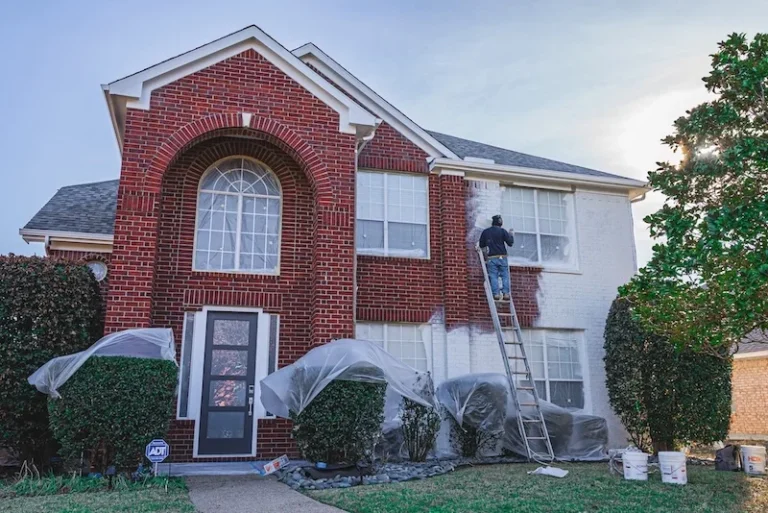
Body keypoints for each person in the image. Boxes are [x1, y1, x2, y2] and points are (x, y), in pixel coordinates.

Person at [479, 215, 515, 300]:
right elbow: (510, 243)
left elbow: (481, 245)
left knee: (493, 276)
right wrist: (511, 235)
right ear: (500, 223)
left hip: (492, 257)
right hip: (502, 257)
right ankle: (506, 293)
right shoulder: (503, 231)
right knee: (505, 275)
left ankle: (496, 294)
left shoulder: (486, 232)